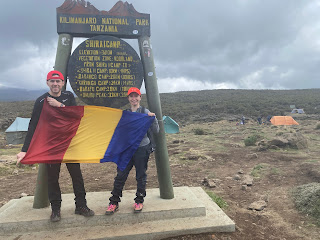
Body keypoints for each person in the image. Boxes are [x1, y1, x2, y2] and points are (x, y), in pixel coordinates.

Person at [16, 70, 94, 222]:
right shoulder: (41, 101)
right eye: (52, 81)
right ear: (47, 83)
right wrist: (24, 150)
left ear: (63, 83)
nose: (55, 84)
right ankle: (56, 210)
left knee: (77, 176)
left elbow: (76, 115)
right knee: (52, 178)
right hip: (51, 145)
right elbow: (33, 126)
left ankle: (81, 206)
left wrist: (60, 106)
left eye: (58, 81)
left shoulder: (68, 97)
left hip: (70, 144)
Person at [105, 87, 159, 215]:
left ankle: (139, 200)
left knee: (141, 175)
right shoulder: (125, 114)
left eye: (136, 96)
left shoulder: (145, 112)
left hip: (141, 149)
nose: (134, 98)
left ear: (140, 97)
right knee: (121, 175)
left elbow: (156, 130)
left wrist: (153, 118)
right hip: (127, 150)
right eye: (131, 96)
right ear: (128, 98)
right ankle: (114, 202)